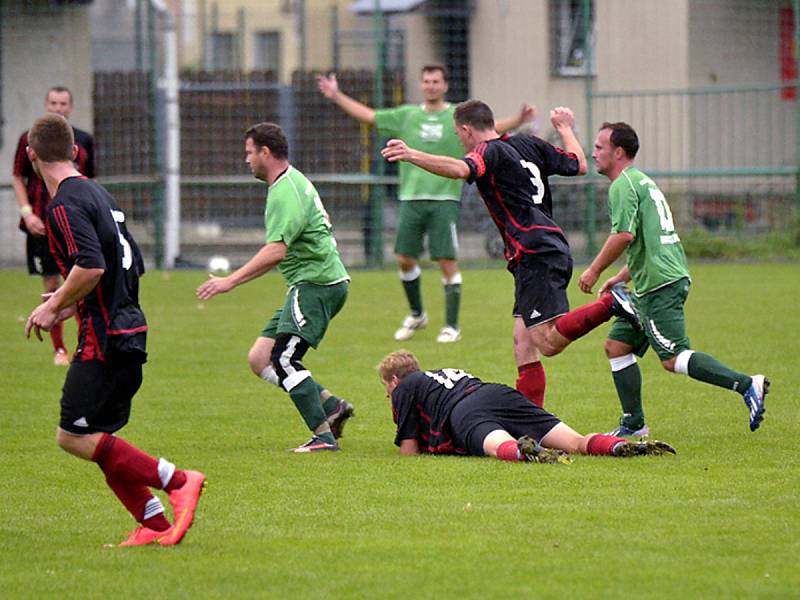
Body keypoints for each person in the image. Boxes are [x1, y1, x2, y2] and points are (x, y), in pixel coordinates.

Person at [381, 99, 638, 409]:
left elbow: (462, 169)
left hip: (533, 250)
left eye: (458, 134)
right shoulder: (528, 143)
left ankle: (611, 303)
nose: (461, 141)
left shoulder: (486, 151)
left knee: (546, 342)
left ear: (466, 130)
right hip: (543, 247)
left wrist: (412, 154)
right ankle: (534, 426)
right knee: (523, 342)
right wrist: (565, 128)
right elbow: (578, 163)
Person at [23, 113, 205, 547]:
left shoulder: (63, 204)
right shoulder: (99, 194)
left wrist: (56, 307)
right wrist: (71, 302)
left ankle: (178, 480)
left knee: (73, 435)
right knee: (99, 438)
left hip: (104, 338)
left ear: (31, 155)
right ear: (74, 151)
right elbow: (130, 264)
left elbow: (91, 265)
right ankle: (155, 524)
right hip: (128, 327)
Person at [318, 66, 534, 343]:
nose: (431, 86)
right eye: (426, 81)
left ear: (445, 85)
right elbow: (370, 116)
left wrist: (518, 118)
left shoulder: (457, 116)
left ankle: (451, 326)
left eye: (436, 81)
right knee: (404, 259)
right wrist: (337, 96)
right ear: (421, 85)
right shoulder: (407, 115)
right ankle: (417, 314)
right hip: (410, 198)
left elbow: (489, 131)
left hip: (444, 199)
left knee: (446, 260)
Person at [580, 121, 768, 435]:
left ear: (619, 152)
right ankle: (633, 423)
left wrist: (593, 270)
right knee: (616, 346)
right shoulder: (642, 182)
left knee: (673, 357)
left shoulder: (622, 185)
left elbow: (623, 235)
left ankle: (748, 384)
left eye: (599, 148)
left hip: (659, 285)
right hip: (660, 277)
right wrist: (621, 276)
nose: (594, 153)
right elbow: (648, 242)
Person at [196, 122, 353, 453]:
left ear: (265, 152)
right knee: (260, 358)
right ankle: (331, 406)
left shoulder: (285, 190)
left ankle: (323, 438)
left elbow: (276, 251)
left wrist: (230, 281)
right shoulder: (288, 182)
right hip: (313, 282)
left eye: (249, 153)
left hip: (316, 283)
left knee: (283, 358)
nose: (247, 160)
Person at [378, 350, 675, 461]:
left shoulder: (405, 386)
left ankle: (526, 450)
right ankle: (616, 446)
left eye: (386, 389)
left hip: (465, 412)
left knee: (501, 446)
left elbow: (409, 451)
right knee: (575, 441)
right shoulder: (441, 373)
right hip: (495, 392)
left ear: (393, 380)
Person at [13, 86, 95, 366]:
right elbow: (18, 178)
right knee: (51, 282)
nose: (58, 107)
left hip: (73, 223)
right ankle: (59, 349)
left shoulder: (84, 141)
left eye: (63, 103)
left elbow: (90, 180)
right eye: (53, 102)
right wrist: (27, 214)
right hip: (41, 224)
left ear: (70, 108)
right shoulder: (29, 139)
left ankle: (85, 345)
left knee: (84, 280)